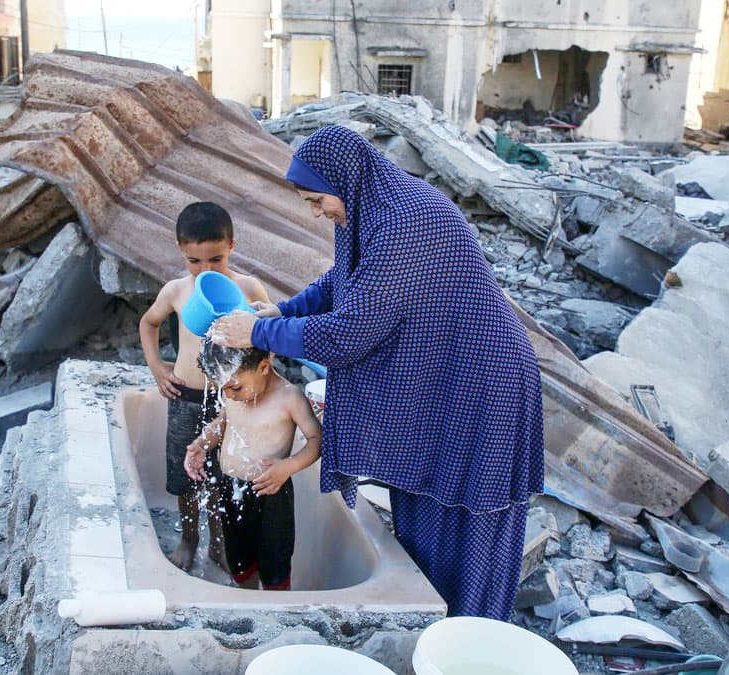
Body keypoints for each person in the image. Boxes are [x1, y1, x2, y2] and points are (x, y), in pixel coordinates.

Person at [210, 125, 545, 620]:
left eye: (317, 200)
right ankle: (432, 621)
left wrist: (257, 336)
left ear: (344, 182)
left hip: (482, 384)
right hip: (440, 378)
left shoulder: (408, 222)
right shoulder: (371, 207)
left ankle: (469, 632)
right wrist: (280, 313)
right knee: (423, 502)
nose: (316, 212)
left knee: (467, 517)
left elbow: (348, 333)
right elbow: (341, 281)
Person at [138, 201, 270, 571]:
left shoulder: (247, 287)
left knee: (224, 474)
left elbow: (271, 333)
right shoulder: (177, 290)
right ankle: (189, 537)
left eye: (216, 259)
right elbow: (148, 323)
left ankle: (219, 541)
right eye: (195, 262)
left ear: (232, 246)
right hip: (187, 397)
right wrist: (156, 367)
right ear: (181, 251)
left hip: (233, 403)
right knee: (186, 477)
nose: (205, 270)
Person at [183, 339, 322, 591]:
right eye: (223, 389)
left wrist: (288, 466)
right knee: (239, 558)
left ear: (264, 367)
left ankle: (275, 603)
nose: (229, 395)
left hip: (270, 493)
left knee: (274, 562)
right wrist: (201, 443)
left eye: (235, 388)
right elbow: (224, 421)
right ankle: (248, 597)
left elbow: (316, 439)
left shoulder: (289, 397)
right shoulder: (234, 390)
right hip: (230, 487)